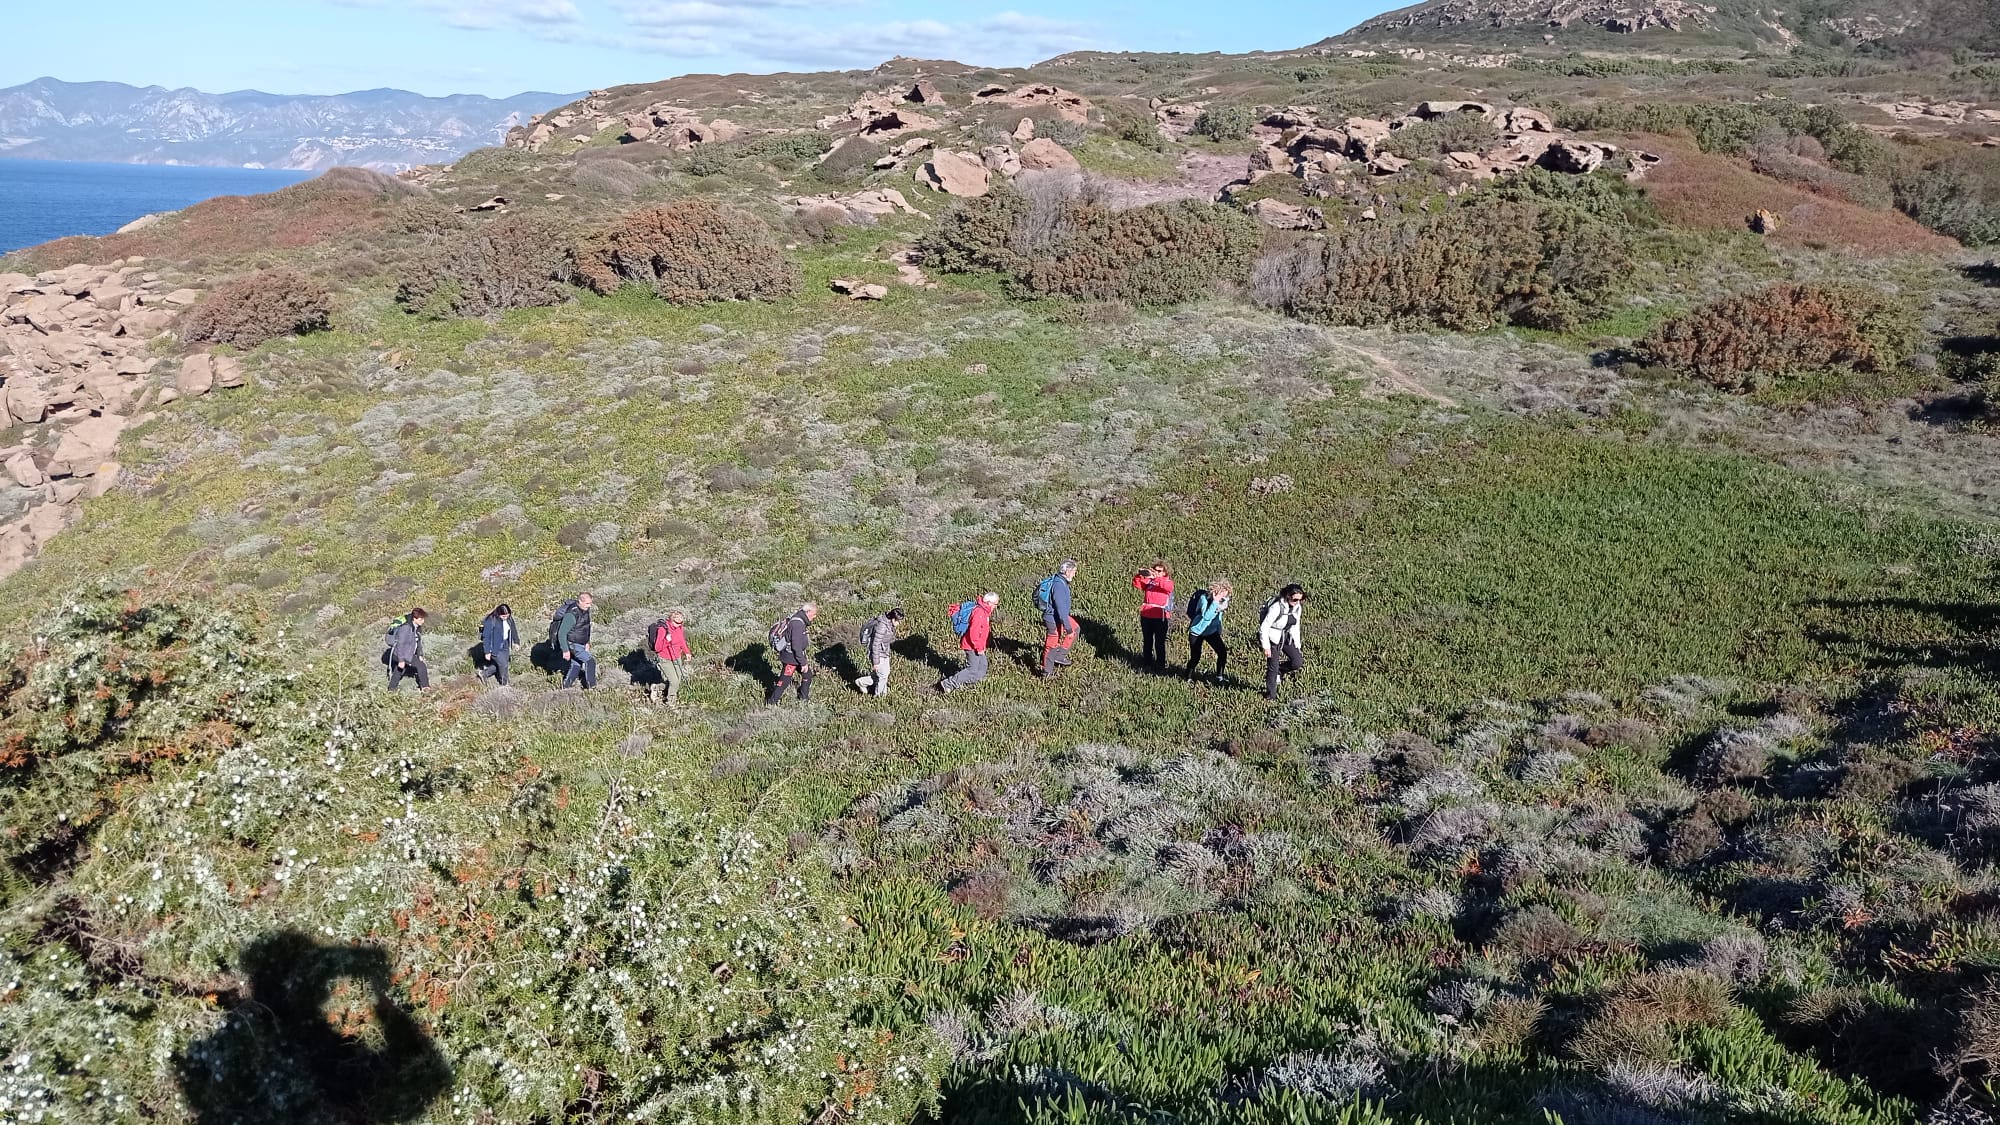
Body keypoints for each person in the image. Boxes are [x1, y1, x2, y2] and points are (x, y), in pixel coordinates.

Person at [940, 593, 999, 693]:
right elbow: (974, 633)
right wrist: (979, 648)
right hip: (972, 646)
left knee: (982, 667)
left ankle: (967, 684)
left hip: (978, 646)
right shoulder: (979, 613)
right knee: (972, 669)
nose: (995, 607)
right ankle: (947, 684)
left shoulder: (984, 611)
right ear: (989, 603)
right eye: (995, 604)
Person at [1259, 584, 1306, 701]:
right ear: (1287, 596)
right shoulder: (1276, 607)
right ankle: (1271, 696)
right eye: (1295, 599)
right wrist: (1266, 646)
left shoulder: (1297, 607)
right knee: (1272, 667)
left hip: (1285, 636)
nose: (1298, 602)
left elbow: (1296, 626)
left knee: (1297, 661)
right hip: (1272, 638)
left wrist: (1297, 644)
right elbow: (1264, 627)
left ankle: (1281, 670)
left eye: (1300, 599)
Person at [767, 602, 818, 704]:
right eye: (813, 614)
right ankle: (771, 702)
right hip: (791, 658)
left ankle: (803, 698)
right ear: (808, 612)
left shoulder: (798, 618)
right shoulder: (798, 624)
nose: (815, 616)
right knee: (784, 681)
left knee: (807, 675)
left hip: (795, 657)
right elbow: (796, 646)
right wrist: (803, 663)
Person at [1038, 558, 1079, 678]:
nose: (1074, 574)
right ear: (1067, 571)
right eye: (1074, 571)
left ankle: (1059, 657)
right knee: (1051, 645)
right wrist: (1068, 629)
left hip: (1058, 617)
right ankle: (1046, 672)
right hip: (1053, 618)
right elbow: (1061, 610)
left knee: (1076, 628)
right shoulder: (1059, 586)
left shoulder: (1060, 581)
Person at [1132, 559, 1175, 670]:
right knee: (1147, 640)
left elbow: (1168, 588)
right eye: (1155, 570)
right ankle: (1147, 663)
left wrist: (1157, 578)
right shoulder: (1150, 582)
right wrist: (1140, 575)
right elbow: (1137, 584)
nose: (1156, 572)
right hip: (1146, 615)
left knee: (1159, 642)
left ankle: (1160, 664)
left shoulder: (1167, 582)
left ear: (1165, 572)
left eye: (1159, 571)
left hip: (1160, 616)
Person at [1185, 581, 1231, 682]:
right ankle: (1188, 677)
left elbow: (1219, 615)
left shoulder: (1222, 602)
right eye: (1223, 595)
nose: (1225, 598)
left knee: (1222, 652)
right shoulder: (1203, 599)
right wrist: (1214, 602)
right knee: (1195, 656)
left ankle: (1219, 677)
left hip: (1211, 631)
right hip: (1197, 631)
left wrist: (1219, 629)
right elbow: (1206, 616)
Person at [854, 607, 903, 697]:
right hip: (878, 653)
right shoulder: (882, 626)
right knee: (883, 675)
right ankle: (879, 696)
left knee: (884, 674)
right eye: (898, 621)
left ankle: (862, 682)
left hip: (884, 652)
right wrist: (875, 662)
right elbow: (875, 645)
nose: (899, 623)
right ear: (893, 619)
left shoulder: (889, 625)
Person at [649, 610, 691, 704]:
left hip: (677, 656)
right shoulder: (663, 630)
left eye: (681, 622)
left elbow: (681, 640)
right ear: (671, 620)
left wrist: (687, 652)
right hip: (665, 659)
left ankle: (657, 687)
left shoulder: (679, 627)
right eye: (677, 623)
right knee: (675, 681)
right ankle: (671, 702)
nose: (679, 625)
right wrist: (667, 641)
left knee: (678, 679)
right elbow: (657, 648)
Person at [559, 593, 598, 689]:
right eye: (587, 603)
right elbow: (562, 633)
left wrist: (587, 642)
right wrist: (565, 650)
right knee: (590, 661)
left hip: (581, 643)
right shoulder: (571, 615)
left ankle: (566, 686)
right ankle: (591, 687)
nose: (589, 606)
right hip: (573, 644)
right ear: (580, 601)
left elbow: (585, 628)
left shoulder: (585, 610)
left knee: (576, 664)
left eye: (590, 603)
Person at [386, 607, 429, 691]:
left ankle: (391, 688)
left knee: (400, 669)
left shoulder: (417, 627)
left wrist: (420, 654)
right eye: (421, 619)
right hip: (400, 654)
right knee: (421, 666)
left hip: (407, 653)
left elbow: (418, 642)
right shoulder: (405, 628)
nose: (423, 621)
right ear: (414, 618)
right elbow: (400, 645)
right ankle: (425, 687)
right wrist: (401, 660)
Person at [477, 604, 520, 686]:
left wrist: (516, 642)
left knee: (502, 664)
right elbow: (486, 637)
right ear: (498, 614)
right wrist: (487, 652)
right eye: (503, 616)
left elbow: (513, 629)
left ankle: (484, 674)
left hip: (505, 644)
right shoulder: (491, 620)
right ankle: (505, 685)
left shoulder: (509, 619)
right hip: (495, 647)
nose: (506, 618)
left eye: (507, 616)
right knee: (503, 665)